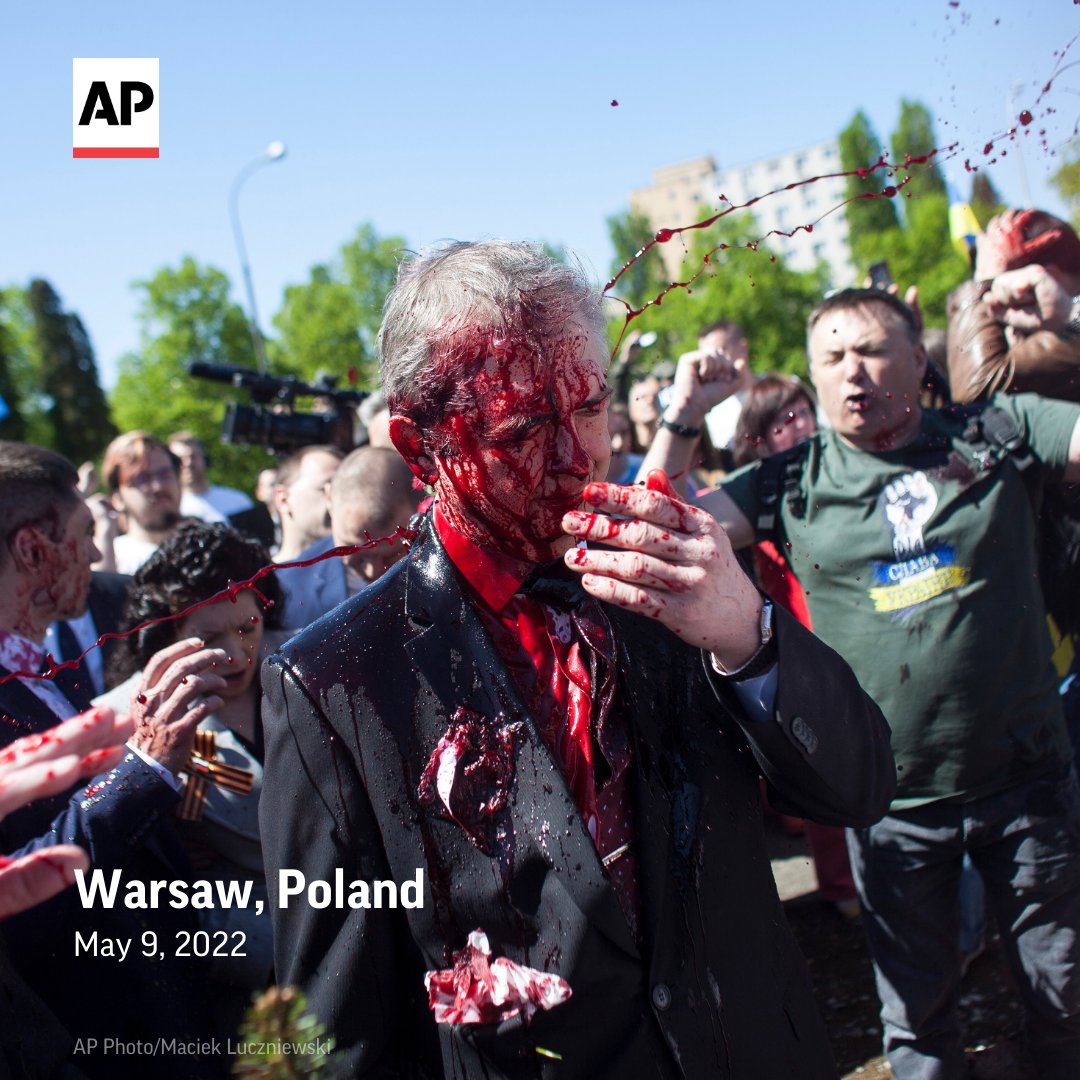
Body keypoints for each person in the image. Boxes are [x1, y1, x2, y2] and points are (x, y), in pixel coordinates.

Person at [260, 241, 894, 1078]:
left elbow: (858, 788)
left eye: (591, 405)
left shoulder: (670, 567)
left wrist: (749, 635)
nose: (576, 457)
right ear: (420, 448)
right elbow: (338, 1035)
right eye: (523, 428)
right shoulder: (342, 682)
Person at [639, 286, 1080, 1079]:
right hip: (890, 808)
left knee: (1067, 1003)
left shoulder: (997, 431)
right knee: (918, 1027)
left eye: (873, 349)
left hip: (1029, 785)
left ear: (917, 353)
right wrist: (684, 413)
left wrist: (1062, 319)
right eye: (833, 357)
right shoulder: (789, 480)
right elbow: (652, 528)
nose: (854, 371)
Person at [0, 441, 230, 1079]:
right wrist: (143, 770)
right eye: (82, 534)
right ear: (33, 549)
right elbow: (20, 892)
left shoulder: (42, 668)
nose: (98, 553)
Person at [101, 521, 282, 1036]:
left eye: (247, 627)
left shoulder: (307, 662)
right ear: (165, 636)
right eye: (207, 639)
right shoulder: (122, 721)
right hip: (247, 976)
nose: (235, 654)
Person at [275, 445, 420, 630]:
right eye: (355, 551)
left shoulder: (448, 575)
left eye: (391, 555)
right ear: (329, 500)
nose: (372, 571)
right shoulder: (287, 590)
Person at [948, 209, 1080, 404]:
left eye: (999, 286)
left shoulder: (1069, 331)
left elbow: (975, 391)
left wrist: (983, 279)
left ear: (1046, 277)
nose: (993, 301)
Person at [101, 430, 183, 573]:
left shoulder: (206, 548)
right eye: (142, 479)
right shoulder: (114, 562)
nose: (158, 487)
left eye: (165, 474)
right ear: (117, 498)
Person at [270, 444, 343, 564]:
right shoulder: (261, 574)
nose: (339, 499)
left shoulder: (361, 569)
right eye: (324, 489)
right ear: (283, 499)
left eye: (344, 490)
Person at [168, 431, 255, 523]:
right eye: (179, 459)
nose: (188, 463)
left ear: (205, 459)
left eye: (193, 457)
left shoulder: (238, 501)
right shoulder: (170, 510)